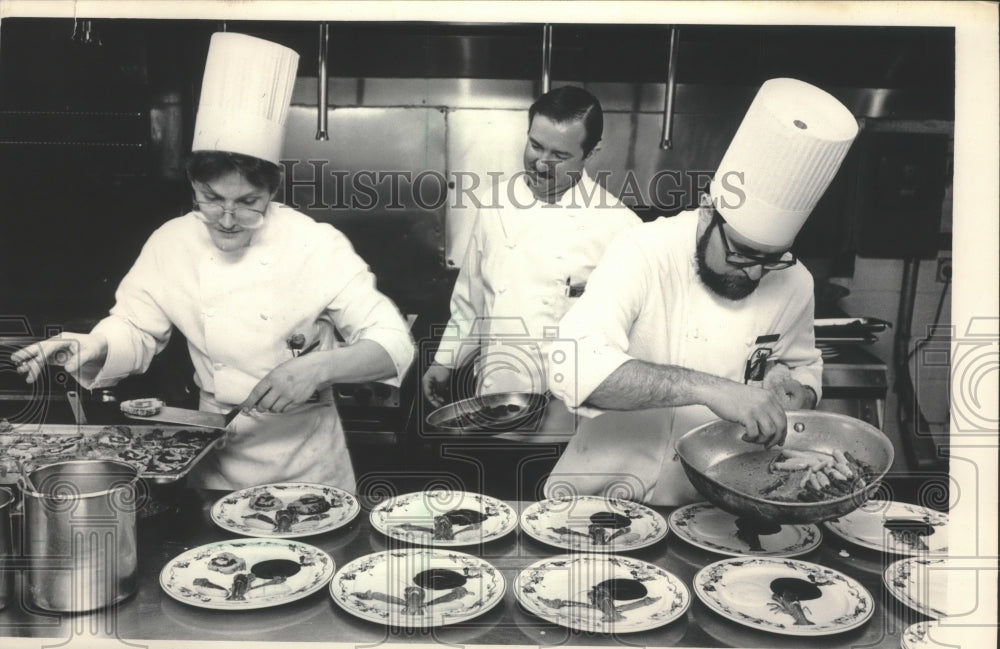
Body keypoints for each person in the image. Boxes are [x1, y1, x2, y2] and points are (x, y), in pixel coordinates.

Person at [12, 33, 414, 491]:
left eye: (248, 201)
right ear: (193, 188)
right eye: (211, 199)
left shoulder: (314, 244)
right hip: (212, 454)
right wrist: (94, 345)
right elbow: (138, 327)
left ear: (273, 191)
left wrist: (317, 368)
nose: (227, 219)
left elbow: (393, 342)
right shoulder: (173, 242)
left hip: (308, 466)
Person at [544, 78, 860, 505]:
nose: (752, 274)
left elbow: (803, 365)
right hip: (603, 496)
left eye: (771, 259)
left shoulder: (794, 279)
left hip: (721, 500)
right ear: (710, 211)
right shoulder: (644, 251)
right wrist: (711, 389)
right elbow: (573, 368)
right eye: (742, 253)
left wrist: (795, 390)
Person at [422, 86, 640, 433]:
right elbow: (472, 299)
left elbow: (635, 340)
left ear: (591, 151)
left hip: (572, 418)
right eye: (535, 145)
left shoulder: (620, 227)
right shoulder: (495, 205)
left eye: (559, 154)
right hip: (494, 402)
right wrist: (445, 360)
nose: (540, 162)